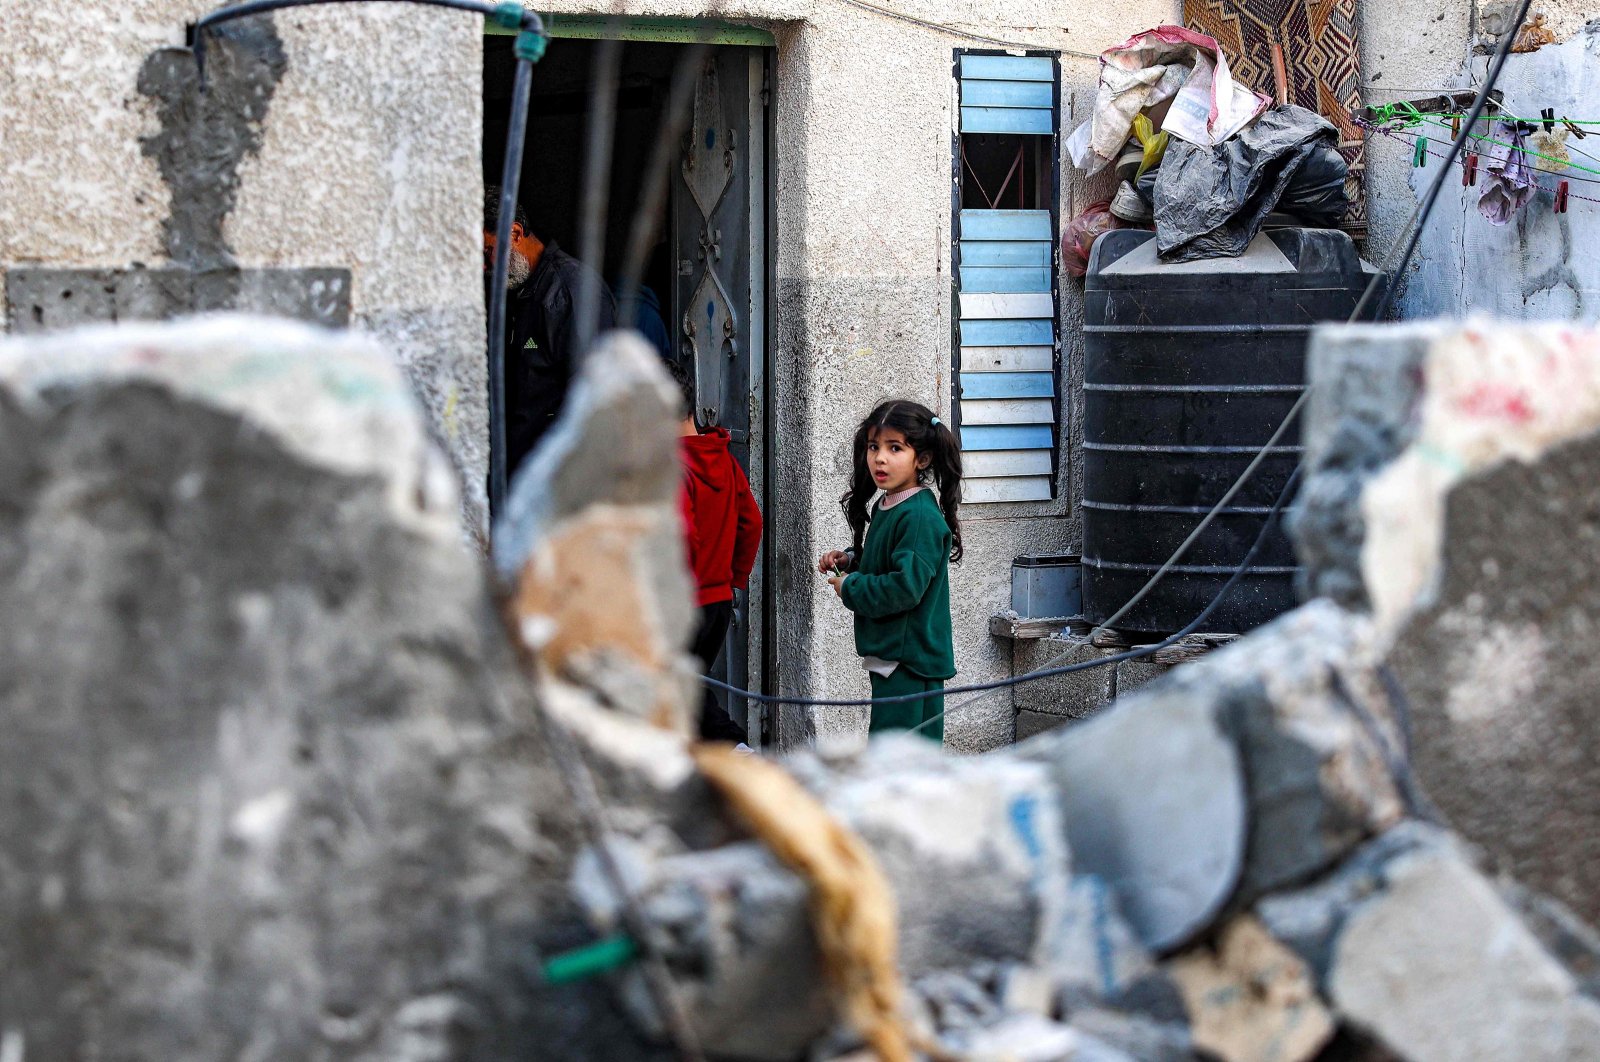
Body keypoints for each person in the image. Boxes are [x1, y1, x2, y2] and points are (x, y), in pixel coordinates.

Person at [817, 400, 963, 742]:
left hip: (910, 663)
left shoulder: (919, 516)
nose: (879, 458)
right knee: (892, 756)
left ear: (922, 459)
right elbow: (889, 561)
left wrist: (851, 587)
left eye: (895, 448)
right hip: (893, 656)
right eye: (874, 446)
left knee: (903, 766)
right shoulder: (890, 503)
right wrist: (853, 560)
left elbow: (904, 587)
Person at [484, 187, 616, 476]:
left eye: (488, 252)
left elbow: (594, 399)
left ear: (515, 234)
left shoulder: (571, 292)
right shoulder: (519, 292)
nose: (484, 266)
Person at [666, 357, 764, 743]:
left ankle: (736, 749)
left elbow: (681, 535)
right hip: (718, 602)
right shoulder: (720, 455)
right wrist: (732, 579)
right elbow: (752, 522)